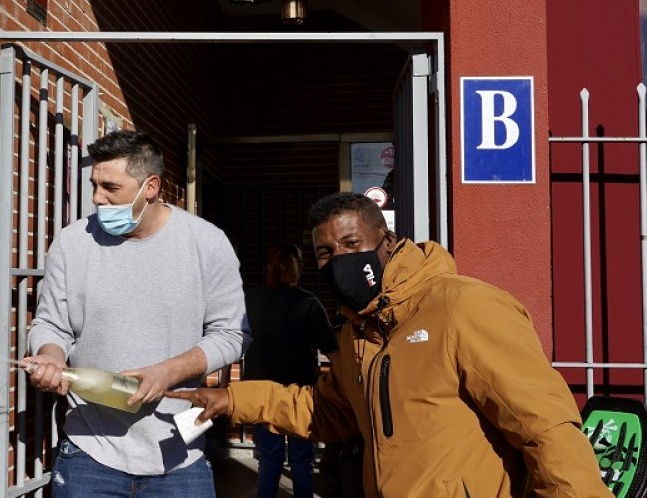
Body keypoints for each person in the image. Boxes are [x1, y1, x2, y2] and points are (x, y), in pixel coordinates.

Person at [168, 192, 610, 498]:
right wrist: (231, 398)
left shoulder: (464, 307)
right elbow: (326, 412)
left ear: (389, 242)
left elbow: (545, 428)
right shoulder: (357, 332)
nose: (338, 260)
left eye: (351, 243)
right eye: (325, 253)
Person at [21, 130, 246, 497]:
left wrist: (167, 373)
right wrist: (50, 356)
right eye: (94, 185)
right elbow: (50, 322)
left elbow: (232, 334)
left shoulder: (207, 243)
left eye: (110, 187)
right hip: (87, 454)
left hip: (179, 457)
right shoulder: (72, 242)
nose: (97, 198)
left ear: (151, 187)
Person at [244, 244, 337, 498]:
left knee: (269, 456)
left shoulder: (252, 299)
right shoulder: (308, 303)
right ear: (299, 270)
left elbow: (236, 338)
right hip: (300, 390)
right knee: (301, 458)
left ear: (269, 268)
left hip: (260, 390)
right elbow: (332, 349)